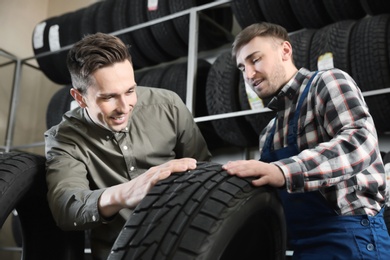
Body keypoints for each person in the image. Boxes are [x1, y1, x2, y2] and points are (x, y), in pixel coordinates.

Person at [222, 22, 390, 259]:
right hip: (302, 248)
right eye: (242, 68)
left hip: (352, 241)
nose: (249, 75)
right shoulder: (269, 133)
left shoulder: (327, 83)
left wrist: (284, 172)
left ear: (285, 51)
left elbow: (359, 143)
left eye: (255, 60)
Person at [44, 32, 211, 259]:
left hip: (183, 246)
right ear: (80, 98)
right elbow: (66, 208)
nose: (125, 107)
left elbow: (204, 172)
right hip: (117, 253)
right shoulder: (63, 138)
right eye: (108, 97)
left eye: (130, 91)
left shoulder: (169, 105)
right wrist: (126, 193)